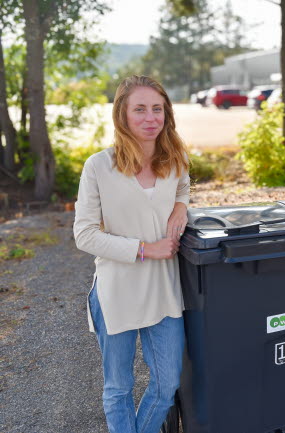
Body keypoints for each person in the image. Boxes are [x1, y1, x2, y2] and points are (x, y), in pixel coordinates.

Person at [74, 75, 190, 432]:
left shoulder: (175, 159)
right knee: (119, 387)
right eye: (139, 109)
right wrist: (144, 249)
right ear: (122, 115)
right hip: (118, 290)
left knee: (167, 384)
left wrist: (181, 206)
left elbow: (183, 185)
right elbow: (84, 234)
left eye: (157, 109)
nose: (150, 117)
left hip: (164, 290)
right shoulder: (98, 166)